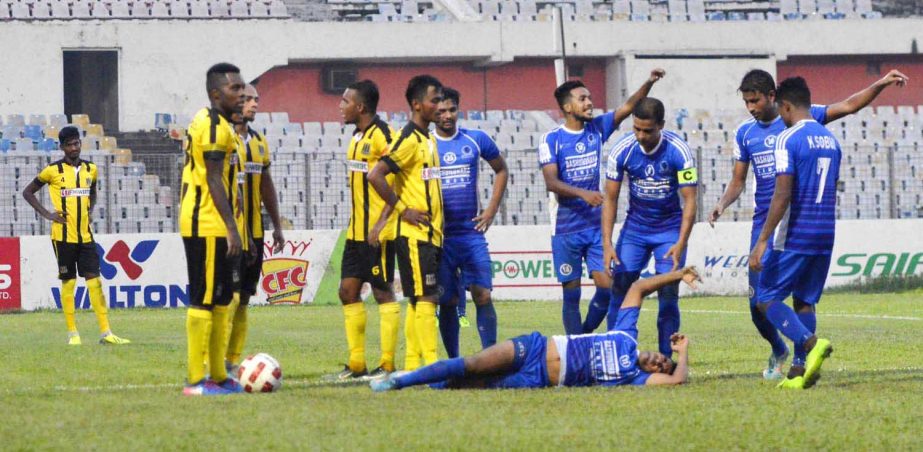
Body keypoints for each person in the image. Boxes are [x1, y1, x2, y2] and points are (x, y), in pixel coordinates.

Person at [709, 68, 908, 380]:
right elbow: (738, 181)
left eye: (755, 100)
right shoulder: (745, 133)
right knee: (755, 304)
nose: (751, 107)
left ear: (774, 98)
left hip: (788, 225)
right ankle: (779, 349)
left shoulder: (803, 118)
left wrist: (879, 84)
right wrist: (722, 203)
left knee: (778, 299)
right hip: (769, 222)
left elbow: (850, 105)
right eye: (746, 102)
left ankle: (802, 359)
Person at [369, 267, 700, 392]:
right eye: (662, 357)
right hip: (536, 348)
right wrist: (677, 274)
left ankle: (432, 383)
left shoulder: (635, 377)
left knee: (466, 386)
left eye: (661, 366)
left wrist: (681, 355)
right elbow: (638, 288)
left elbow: (677, 379)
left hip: (537, 379)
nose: (659, 362)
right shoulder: (626, 335)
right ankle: (400, 380)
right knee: (471, 364)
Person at [538, 69, 665, 335]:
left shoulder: (596, 129)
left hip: (596, 228)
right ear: (567, 107)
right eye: (582, 98)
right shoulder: (551, 139)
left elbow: (629, 107)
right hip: (565, 229)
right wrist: (584, 194)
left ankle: (583, 336)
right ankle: (575, 347)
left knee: (608, 288)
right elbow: (551, 182)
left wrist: (649, 81)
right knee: (571, 295)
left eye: (590, 97)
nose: (589, 102)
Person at [748, 77, 840, 390]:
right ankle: (800, 371)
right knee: (804, 302)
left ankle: (810, 343)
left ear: (785, 106)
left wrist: (763, 239)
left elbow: (782, 194)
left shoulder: (788, 139)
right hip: (825, 232)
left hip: (795, 234)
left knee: (766, 298)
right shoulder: (831, 139)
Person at [602, 97, 697, 358]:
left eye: (648, 130)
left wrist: (681, 241)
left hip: (669, 232)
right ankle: (615, 353)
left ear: (661, 125)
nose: (641, 136)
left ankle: (666, 359)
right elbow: (610, 198)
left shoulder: (679, 151)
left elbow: (690, 200)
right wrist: (607, 243)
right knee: (620, 288)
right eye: (636, 129)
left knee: (668, 293)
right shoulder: (622, 150)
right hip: (635, 231)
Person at [22, 126, 130, 346]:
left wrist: (89, 212)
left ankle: (106, 333)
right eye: (69, 144)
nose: (74, 148)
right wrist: (48, 214)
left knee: (95, 283)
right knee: (69, 283)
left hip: (86, 237)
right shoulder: (52, 171)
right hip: (63, 238)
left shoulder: (91, 169)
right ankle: (73, 334)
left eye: (77, 143)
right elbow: (27, 192)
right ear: (62, 147)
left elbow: (93, 192)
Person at [178, 62, 247, 396]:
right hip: (205, 222)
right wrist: (232, 229)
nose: (242, 93)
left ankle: (218, 375)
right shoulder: (216, 126)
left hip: (211, 221)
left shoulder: (210, 120)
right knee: (204, 298)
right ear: (216, 93)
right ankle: (195, 380)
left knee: (222, 298)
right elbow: (213, 178)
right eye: (235, 88)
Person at [368, 75, 444, 369]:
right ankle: (433, 365)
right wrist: (403, 209)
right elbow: (376, 175)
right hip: (413, 233)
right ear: (416, 104)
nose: (438, 106)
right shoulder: (408, 139)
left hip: (431, 233)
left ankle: (414, 365)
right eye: (433, 100)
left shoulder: (427, 138)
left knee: (418, 299)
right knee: (427, 296)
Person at [433, 87, 508, 358]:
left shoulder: (475, 139)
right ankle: (454, 361)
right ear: (432, 113)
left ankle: (490, 359)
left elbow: (501, 169)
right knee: (448, 301)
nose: (447, 116)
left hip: (471, 234)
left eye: (452, 109)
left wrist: (490, 210)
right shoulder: (424, 145)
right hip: (439, 238)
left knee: (483, 295)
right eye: (441, 111)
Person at [336, 80, 401, 380]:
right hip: (355, 233)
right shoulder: (356, 136)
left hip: (378, 232)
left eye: (345, 101)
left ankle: (387, 364)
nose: (341, 106)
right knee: (347, 292)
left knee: (382, 293)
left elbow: (399, 183)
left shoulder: (384, 135)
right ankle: (357, 365)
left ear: (360, 107)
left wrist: (382, 220)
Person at [226, 83, 286, 375]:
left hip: (256, 233)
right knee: (230, 297)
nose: (254, 104)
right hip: (231, 235)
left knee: (245, 298)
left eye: (256, 100)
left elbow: (266, 185)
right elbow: (229, 191)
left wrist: (276, 225)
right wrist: (242, 232)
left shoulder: (259, 141)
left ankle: (231, 360)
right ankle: (214, 360)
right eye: (248, 99)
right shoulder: (224, 139)